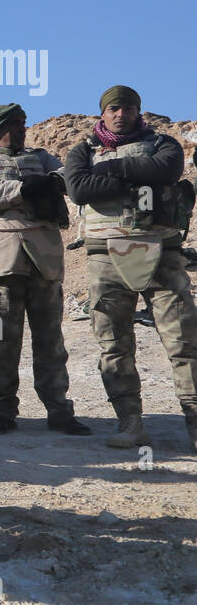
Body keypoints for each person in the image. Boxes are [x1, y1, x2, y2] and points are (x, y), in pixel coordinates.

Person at [63, 86, 197, 449]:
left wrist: (113, 168)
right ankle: (129, 421)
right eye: (115, 108)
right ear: (103, 114)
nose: (122, 113)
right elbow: (78, 188)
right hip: (106, 256)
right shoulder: (83, 150)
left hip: (162, 252)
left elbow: (167, 170)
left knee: (184, 340)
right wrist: (137, 175)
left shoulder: (162, 144)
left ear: (140, 112)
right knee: (113, 341)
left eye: (129, 108)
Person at [0, 103, 89, 436]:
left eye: (23, 123)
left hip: (43, 258)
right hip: (0, 260)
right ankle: (2, 412)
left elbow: (66, 176)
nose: (22, 128)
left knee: (50, 341)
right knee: (1, 340)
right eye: (15, 124)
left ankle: (59, 411)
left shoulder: (42, 156)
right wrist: (23, 189)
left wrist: (48, 181)